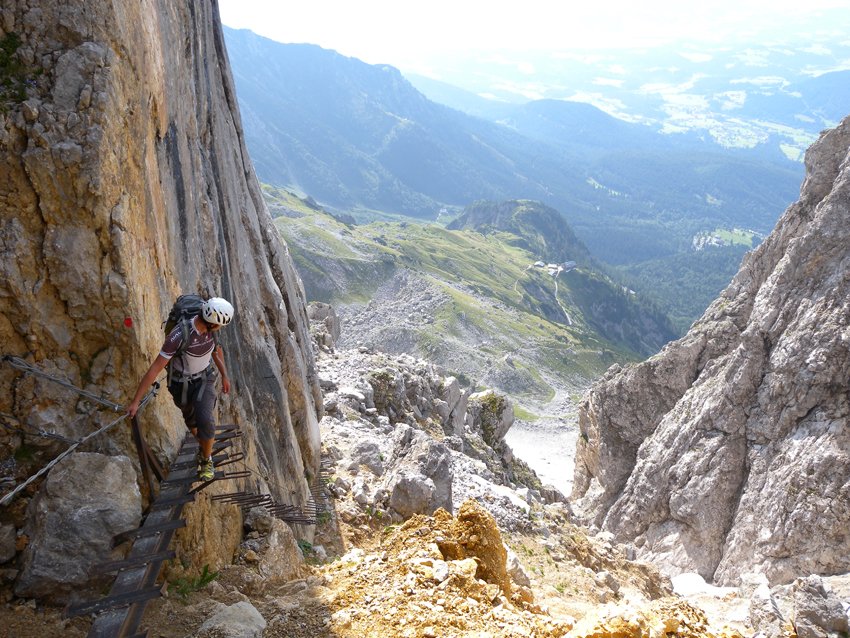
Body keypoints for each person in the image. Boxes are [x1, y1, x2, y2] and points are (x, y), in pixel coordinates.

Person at [127, 297, 234, 480]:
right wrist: (136, 402)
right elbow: (155, 368)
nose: (220, 329)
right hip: (180, 385)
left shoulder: (212, 333)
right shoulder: (179, 335)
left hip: (204, 379)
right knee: (192, 422)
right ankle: (203, 447)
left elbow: (216, 350)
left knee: (206, 420)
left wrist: (224, 375)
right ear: (213, 323)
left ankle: (206, 459)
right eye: (220, 326)